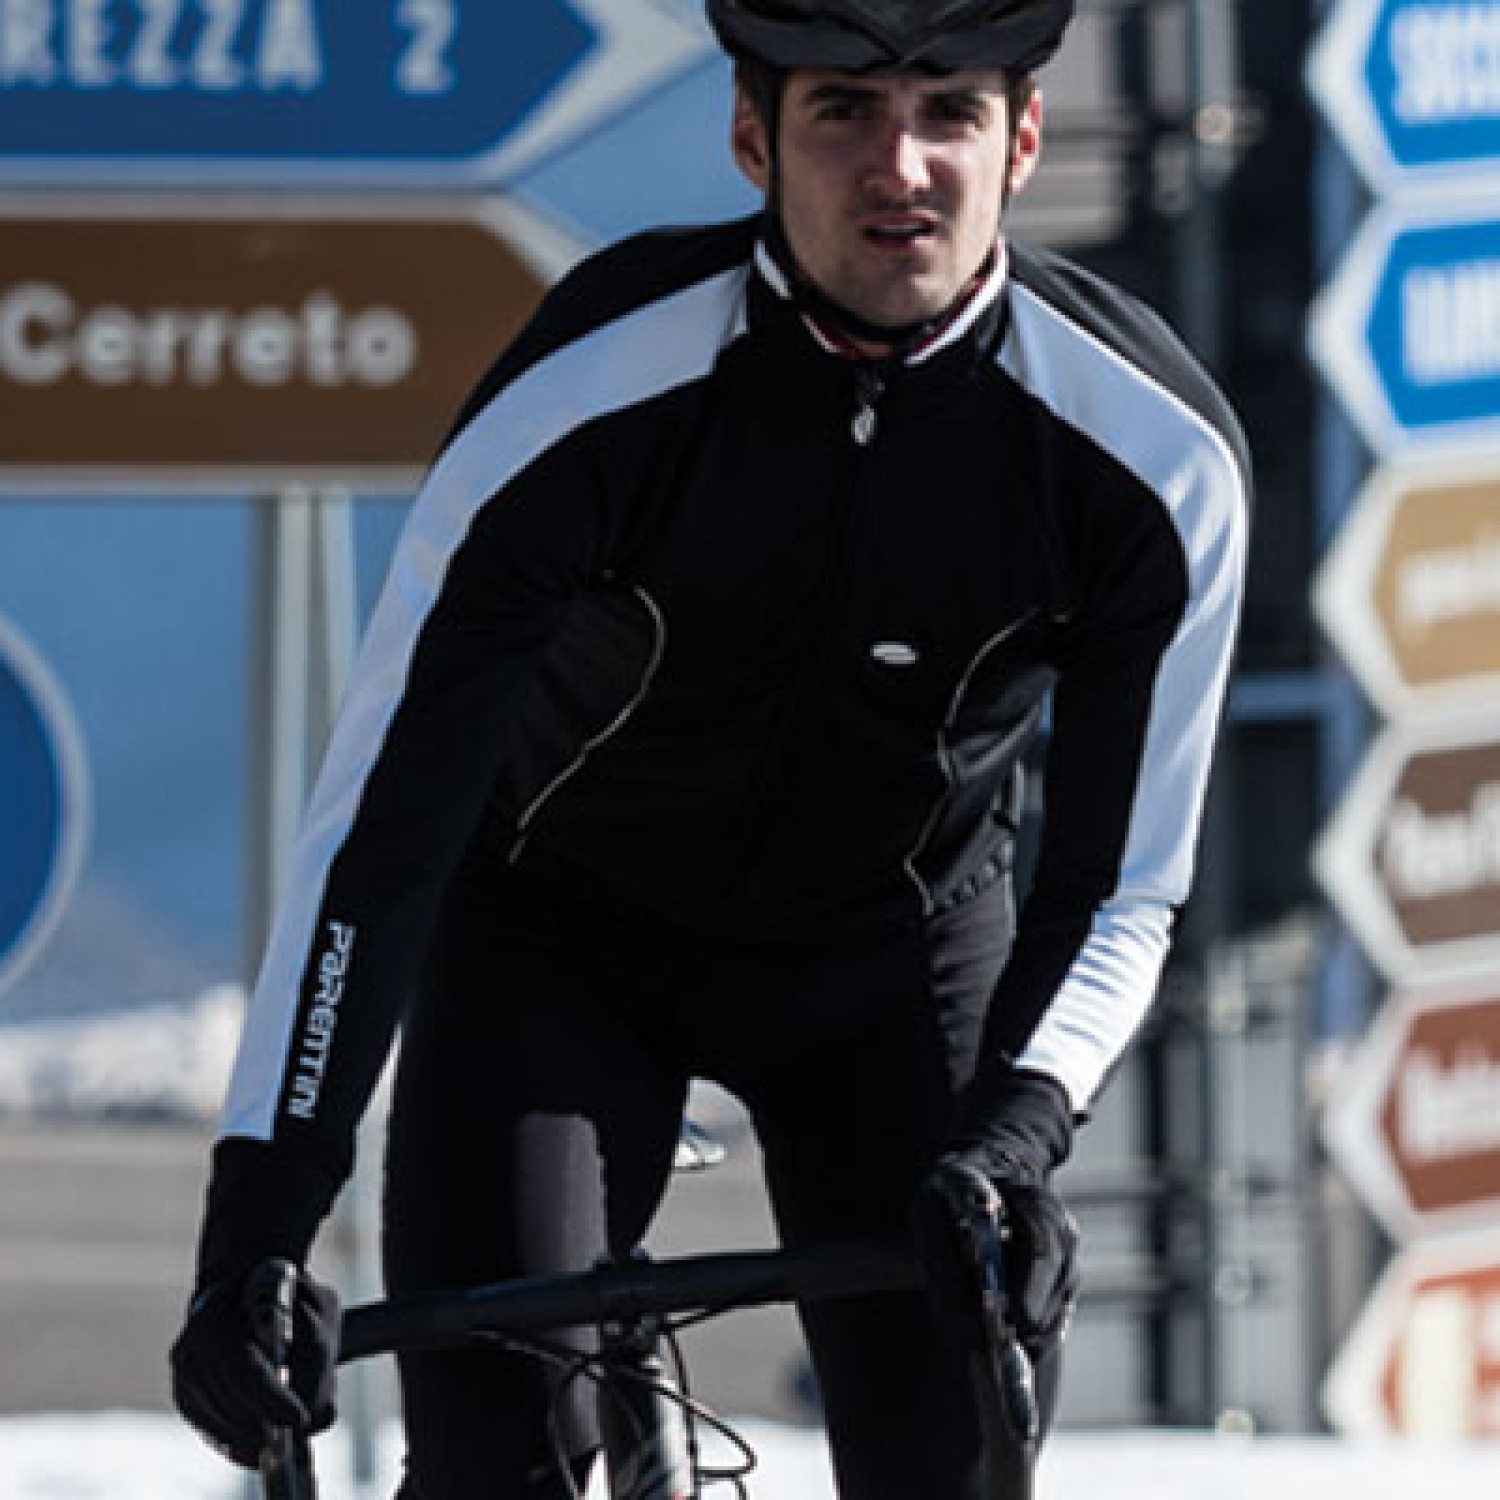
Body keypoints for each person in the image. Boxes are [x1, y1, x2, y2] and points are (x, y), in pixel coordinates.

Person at [169, 1, 1252, 1495]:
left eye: (948, 110)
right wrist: (262, 1213)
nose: (902, 165)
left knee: (956, 1448)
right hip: (561, 944)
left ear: (1024, 141)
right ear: (753, 136)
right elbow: (382, 831)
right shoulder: (588, 392)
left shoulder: (1155, 458)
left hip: (899, 959)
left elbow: (1123, 887)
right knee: (496, 1466)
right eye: (843, 111)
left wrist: (1015, 1139)